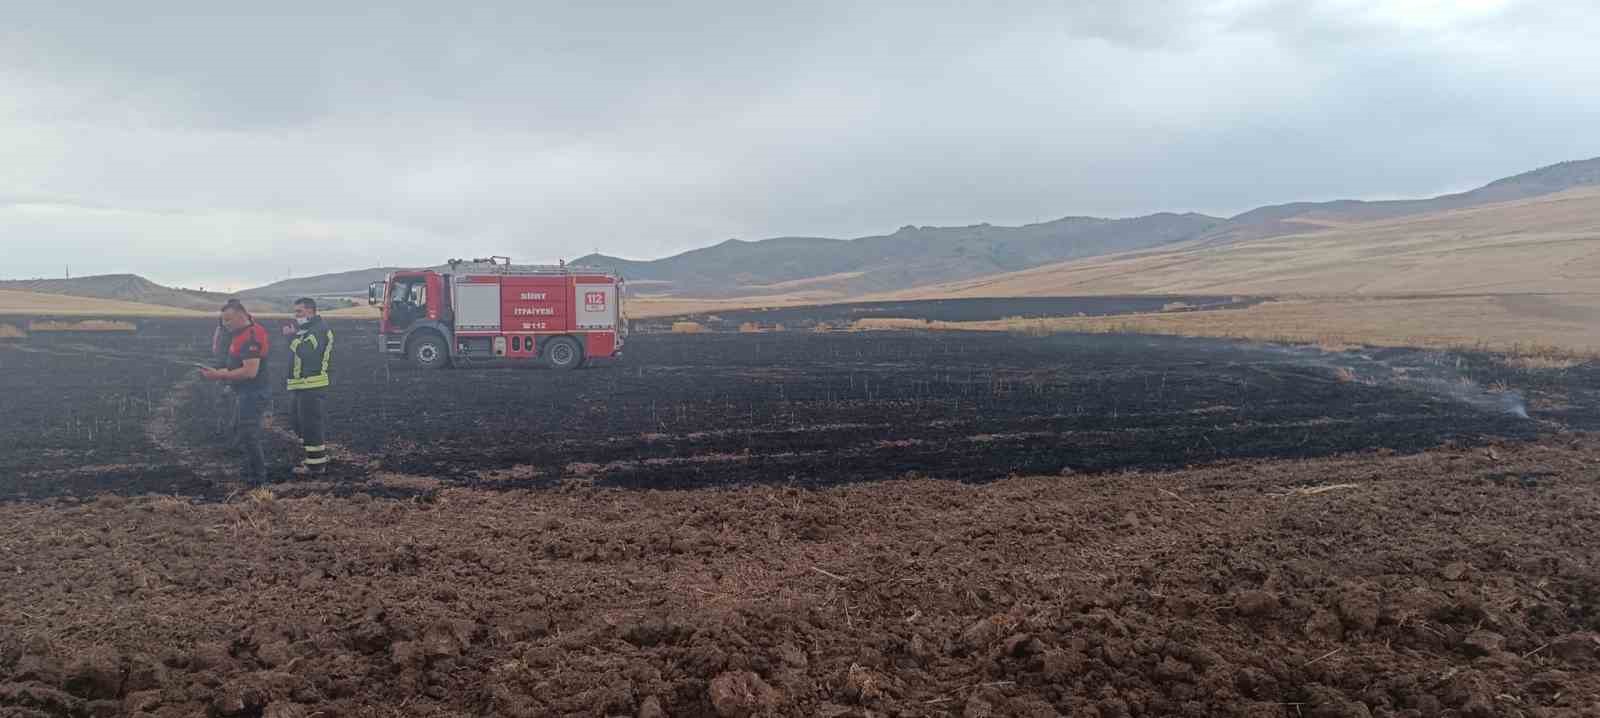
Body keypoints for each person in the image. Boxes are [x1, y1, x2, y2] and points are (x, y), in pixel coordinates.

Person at [200, 302, 271, 486]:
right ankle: (250, 470)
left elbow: (249, 372)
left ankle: (258, 479)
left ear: (242, 315)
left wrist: (219, 375)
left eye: (228, 320)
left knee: (249, 433)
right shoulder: (240, 333)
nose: (225, 324)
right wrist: (221, 371)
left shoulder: (250, 338)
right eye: (223, 321)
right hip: (245, 392)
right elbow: (237, 365)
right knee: (240, 430)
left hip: (253, 393)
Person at [282, 297, 334, 475]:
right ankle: (317, 455)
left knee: (310, 425)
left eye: (299, 312)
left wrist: (290, 338)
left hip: (312, 385)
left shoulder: (318, 330)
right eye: (295, 312)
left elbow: (307, 353)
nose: (296, 315)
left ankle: (316, 465)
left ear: (311, 311)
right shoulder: (305, 330)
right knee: (298, 423)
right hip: (300, 385)